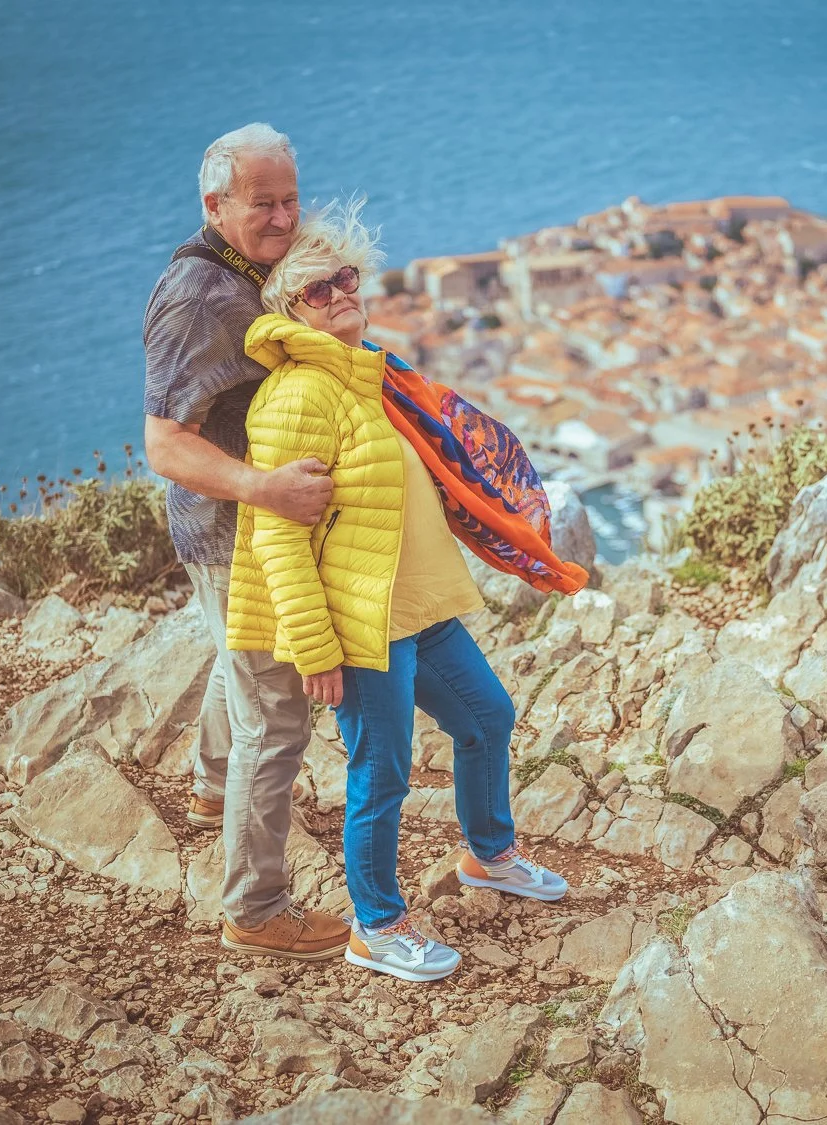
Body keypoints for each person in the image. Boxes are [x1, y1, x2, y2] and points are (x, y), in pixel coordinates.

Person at [226, 200, 589, 982]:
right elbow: (279, 538)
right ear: (291, 311)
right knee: (381, 771)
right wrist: (316, 648)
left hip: (419, 610)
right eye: (319, 290)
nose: (341, 294)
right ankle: (378, 925)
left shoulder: (369, 375)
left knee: (488, 716)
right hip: (364, 626)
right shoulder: (297, 397)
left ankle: (489, 854)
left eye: (347, 278)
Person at [144, 124, 350, 961]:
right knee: (278, 714)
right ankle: (256, 908)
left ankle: (207, 791)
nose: (282, 217)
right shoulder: (197, 298)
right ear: (215, 204)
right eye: (263, 203)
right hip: (237, 532)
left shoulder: (249, 270)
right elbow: (163, 442)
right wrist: (268, 488)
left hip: (242, 529)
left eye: (290, 198)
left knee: (241, 669)